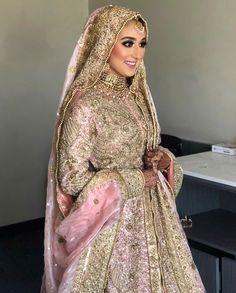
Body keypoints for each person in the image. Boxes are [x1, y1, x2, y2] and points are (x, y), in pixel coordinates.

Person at [41, 5, 205, 293]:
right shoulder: (85, 104)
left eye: (142, 44)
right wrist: (133, 180)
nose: (137, 54)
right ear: (105, 42)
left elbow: (145, 151)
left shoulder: (137, 97)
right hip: (109, 226)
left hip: (156, 218)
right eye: (127, 43)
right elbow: (71, 178)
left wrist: (163, 158)